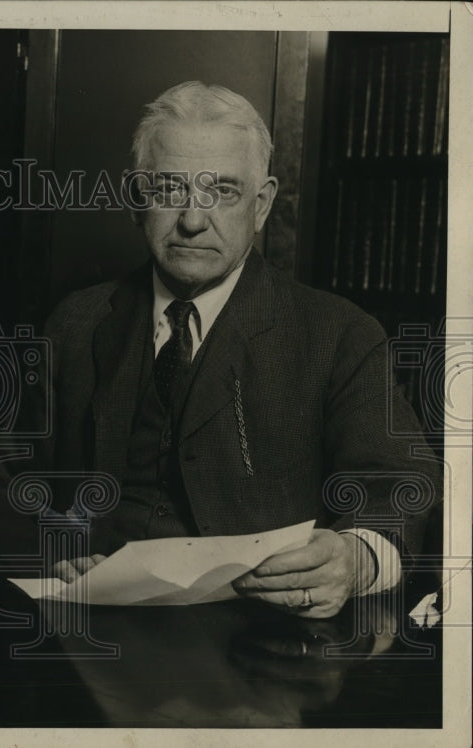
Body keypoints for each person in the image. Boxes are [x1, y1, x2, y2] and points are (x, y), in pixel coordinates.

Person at [44, 81, 439, 618]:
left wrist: (357, 557)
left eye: (223, 191)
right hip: (91, 628)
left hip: (261, 640)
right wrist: (55, 549)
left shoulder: (340, 334)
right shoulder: (76, 322)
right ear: (137, 199)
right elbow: (8, 481)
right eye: (168, 189)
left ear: (262, 205)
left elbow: (400, 485)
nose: (192, 219)